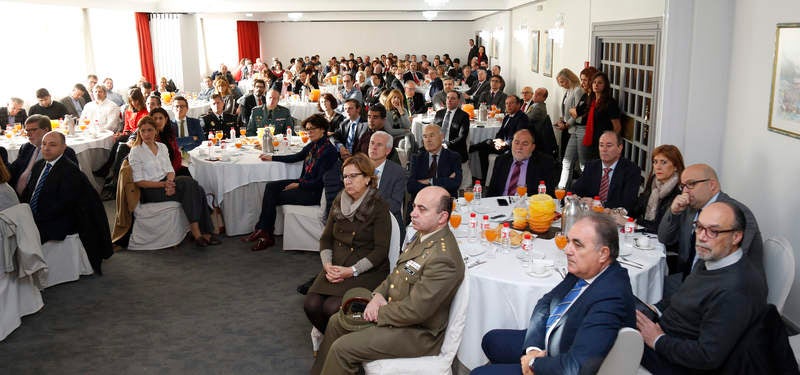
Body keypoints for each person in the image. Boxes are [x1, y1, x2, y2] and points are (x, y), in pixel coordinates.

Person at [311, 186, 465, 375]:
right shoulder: (424, 235)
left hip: (417, 333)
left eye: (422, 209)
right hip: (397, 315)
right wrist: (377, 296)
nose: (413, 213)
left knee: (342, 349)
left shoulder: (443, 258)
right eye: (414, 206)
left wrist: (377, 312)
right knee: (337, 321)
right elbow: (397, 274)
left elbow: (417, 311)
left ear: (442, 217)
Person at [473, 213, 635, 375]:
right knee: (491, 340)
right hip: (552, 342)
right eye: (568, 241)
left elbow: (576, 367)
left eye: (577, 245)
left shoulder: (610, 298)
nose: (567, 250)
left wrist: (533, 363)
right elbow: (546, 302)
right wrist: (533, 350)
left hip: (565, 361)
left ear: (603, 254)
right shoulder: (586, 269)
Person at [638, 202, 767, 374]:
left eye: (713, 231)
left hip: (676, 359)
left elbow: (707, 356)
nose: (701, 237)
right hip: (666, 334)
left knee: (609, 330)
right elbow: (684, 296)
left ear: (736, 237)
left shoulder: (736, 289)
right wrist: (655, 309)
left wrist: (657, 339)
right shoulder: (712, 259)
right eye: (699, 227)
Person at [304, 153, 392, 333]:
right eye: (345, 176)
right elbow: (326, 238)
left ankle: (338, 342)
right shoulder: (339, 200)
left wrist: (352, 271)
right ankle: (333, 336)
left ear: (367, 178)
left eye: (353, 176)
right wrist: (327, 266)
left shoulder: (378, 206)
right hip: (337, 265)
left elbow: (381, 250)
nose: (348, 181)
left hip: (366, 269)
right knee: (311, 304)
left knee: (331, 307)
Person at [244, 114, 338, 251]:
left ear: (323, 129)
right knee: (270, 187)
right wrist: (272, 158)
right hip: (305, 183)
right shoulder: (314, 144)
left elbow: (320, 182)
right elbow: (296, 157)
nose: (309, 132)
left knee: (273, 196)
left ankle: (265, 234)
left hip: (313, 192)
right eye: (307, 129)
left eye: (312, 129)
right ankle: (263, 230)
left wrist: (299, 185)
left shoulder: (329, 151)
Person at [657, 163, 763, 280]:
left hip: (718, 285)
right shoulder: (690, 208)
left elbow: (733, 267)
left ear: (712, 185)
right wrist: (674, 212)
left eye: (691, 184)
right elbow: (664, 238)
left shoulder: (736, 214)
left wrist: (692, 287)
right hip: (688, 278)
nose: (685, 192)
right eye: (683, 186)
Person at [128, 116, 219, 247]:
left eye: (150, 130)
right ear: (139, 132)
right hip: (150, 190)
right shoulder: (136, 151)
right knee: (189, 183)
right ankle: (200, 232)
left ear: (156, 131)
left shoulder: (162, 147)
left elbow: (170, 170)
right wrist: (164, 184)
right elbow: (139, 181)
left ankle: (200, 233)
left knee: (197, 189)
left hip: (166, 183)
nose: (146, 134)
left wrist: (169, 184)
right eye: (143, 131)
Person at [20, 131, 85, 243]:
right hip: (32, 218)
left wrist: (33, 221)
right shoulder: (39, 165)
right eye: (44, 144)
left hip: (53, 223)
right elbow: (28, 193)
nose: (46, 148)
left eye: (52, 145)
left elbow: (63, 205)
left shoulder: (70, 171)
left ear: (63, 147)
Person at [571, 131, 641, 213]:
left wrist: (599, 204)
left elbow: (628, 203)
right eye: (601, 145)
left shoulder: (631, 170)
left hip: (615, 217)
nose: (604, 149)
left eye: (609, 146)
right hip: (590, 215)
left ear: (620, 148)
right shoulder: (591, 166)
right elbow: (575, 190)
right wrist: (577, 198)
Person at [9, 115, 78, 195]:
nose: (28, 134)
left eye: (33, 130)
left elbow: (69, 182)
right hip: (15, 195)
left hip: (44, 195)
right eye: (27, 131)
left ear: (46, 130)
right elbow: (13, 169)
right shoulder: (27, 147)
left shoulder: (64, 151)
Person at [471, 95, 530, 180]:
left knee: (486, 144)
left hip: (512, 147)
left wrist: (504, 143)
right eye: (506, 103)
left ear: (518, 105)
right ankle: (485, 177)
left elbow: (519, 137)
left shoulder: (522, 118)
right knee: (484, 148)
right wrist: (498, 141)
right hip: (502, 144)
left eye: (511, 103)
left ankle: (470, 149)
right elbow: (500, 133)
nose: (508, 106)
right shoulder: (507, 117)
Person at [629, 145, 684, 234]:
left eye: (663, 162)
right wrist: (619, 212)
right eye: (655, 162)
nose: (658, 167)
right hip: (648, 235)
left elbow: (662, 226)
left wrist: (633, 222)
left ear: (675, 167)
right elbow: (637, 207)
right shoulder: (654, 181)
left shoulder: (680, 189)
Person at [487, 129, 557, 197]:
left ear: (533, 147)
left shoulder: (544, 163)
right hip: (502, 202)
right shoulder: (501, 161)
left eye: (525, 144)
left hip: (528, 203)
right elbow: (491, 192)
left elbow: (548, 195)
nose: (519, 147)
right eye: (516, 143)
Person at [407, 124, 462, 198]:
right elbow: (410, 186)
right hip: (422, 201)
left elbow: (455, 183)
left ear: (442, 137)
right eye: (425, 137)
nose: (428, 140)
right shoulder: (417, 158)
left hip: (445, 201)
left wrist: (430, 181)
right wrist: (445, 180)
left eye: (431, 136)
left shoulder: (453, 157)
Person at [575, 72, 621, 159]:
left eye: (600, 83)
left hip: (604, 142)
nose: (596, 85)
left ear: (605, 85)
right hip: (591, 140)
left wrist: (610, 143)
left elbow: (617, 127)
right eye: (594, 82)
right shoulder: (591, 100)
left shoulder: (610, 102)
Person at [557, 68, 589, 189]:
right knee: (566, 161)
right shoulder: (568, 90)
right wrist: (562, 120)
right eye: (559, 82)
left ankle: (584, 188)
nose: (561, 84)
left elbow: (577, 112)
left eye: (563, 81)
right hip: (569, 128)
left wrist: (567, 124)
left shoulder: (577, 90)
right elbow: (567, 110)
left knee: (581, 163)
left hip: (576, 128)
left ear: (569, 79)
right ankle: (562, 189)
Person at [368, 131, 406, 229]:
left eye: (379, 145)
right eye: (372, 143)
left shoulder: (398, 172)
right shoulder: (358, 168)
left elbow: (395, 205)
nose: (374, 147)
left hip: (388, 222)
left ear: (388, 151)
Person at [434, 91, 470, 163]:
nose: (449, 100)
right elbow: (434, 130)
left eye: (453, 98)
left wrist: (446, 145)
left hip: (454, 148)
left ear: (458, 101)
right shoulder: (439, 113)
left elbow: (462, 137)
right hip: (438, 145)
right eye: (448, 98)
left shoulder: (464, 116)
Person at [526, 88, 559, 160]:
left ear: (544, 98)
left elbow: (526, 120)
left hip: (534, 135)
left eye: (538, 94)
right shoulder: (535, 105)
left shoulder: (539, 108)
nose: (535, 95)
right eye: (535, 93)